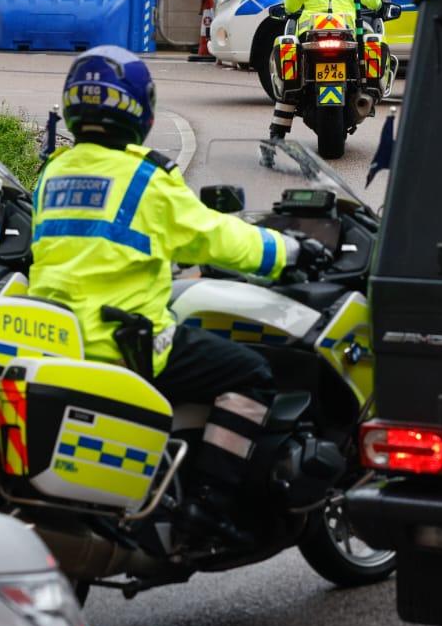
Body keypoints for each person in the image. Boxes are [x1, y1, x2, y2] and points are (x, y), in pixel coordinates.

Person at [28, 46, 328, 407]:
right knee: (254, 373)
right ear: (141, 110)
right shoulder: (145, 178)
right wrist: (288, 250)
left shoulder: (53, 173)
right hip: (122, 344)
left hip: (55, 342)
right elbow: (213, 236)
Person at [269, 0, 383, 142]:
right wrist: (379, 6)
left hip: (309, 32)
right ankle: (370, 87)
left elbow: (291, 7)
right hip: (347, 30)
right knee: (372, 42)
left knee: (292, 81)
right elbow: (374, 2)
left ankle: (277, 132)